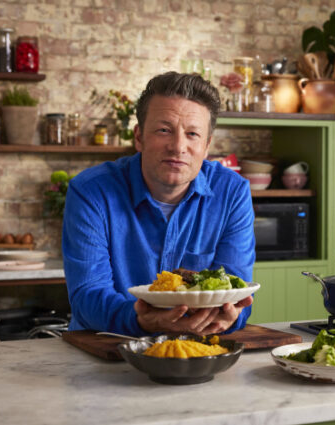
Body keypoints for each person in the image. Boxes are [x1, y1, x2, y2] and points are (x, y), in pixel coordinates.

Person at [62, 72, 255, 337]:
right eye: (164, 130)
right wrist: (141, 321)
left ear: (207, 146)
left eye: (192, 134)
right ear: (139, 137)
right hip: (105, 348)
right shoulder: (91, 192)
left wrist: (232, 317)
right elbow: (87, 297)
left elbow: (237, 292)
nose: (178, 147)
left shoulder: (232, 193)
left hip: (197, 348)